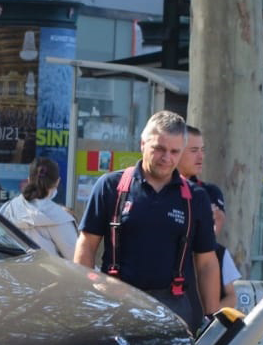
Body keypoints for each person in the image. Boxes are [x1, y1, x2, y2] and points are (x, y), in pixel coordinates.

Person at [74, 111, 220, 330]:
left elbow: (207, 262)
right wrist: (89, 294)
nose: (166, 158)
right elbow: (86, 245)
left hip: (173, 307)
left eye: (174, 151)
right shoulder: (111, 186)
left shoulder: (195, 197)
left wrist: (213, 318)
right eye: (159, 149)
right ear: (143, 144)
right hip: (117, 302)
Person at [0, 157, 79, 258]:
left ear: (29, 180)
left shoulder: (7, 209)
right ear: (57, 182)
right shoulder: (60, 218)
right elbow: (77, 258)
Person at [201, 182, 242, 311]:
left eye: (217, 220)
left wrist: (209, 316)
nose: (213, 226)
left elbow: (231, 296)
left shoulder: (221, 253)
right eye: (208, 219)